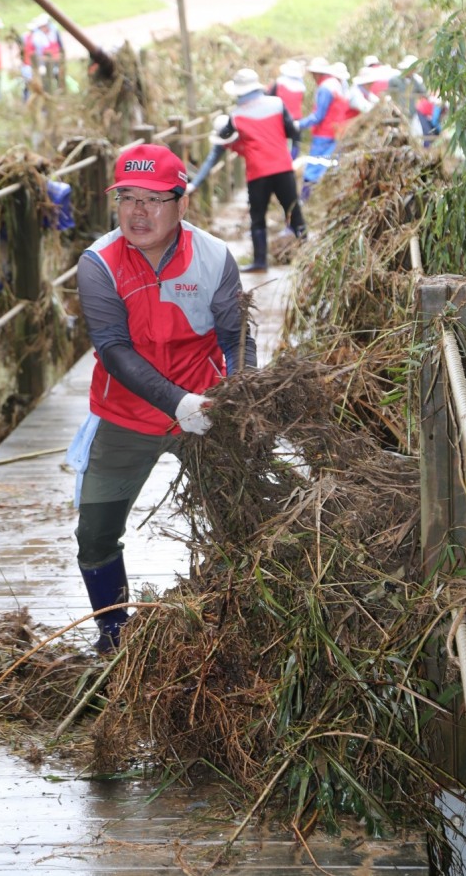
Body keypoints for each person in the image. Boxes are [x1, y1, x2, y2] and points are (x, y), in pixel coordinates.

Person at [67, 143, 257, 653]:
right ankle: (114, 639)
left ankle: (239, 627)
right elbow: (111, 348)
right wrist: (176, 403)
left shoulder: (214, 256)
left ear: (182, 202)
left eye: (153, 199)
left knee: (245, 519)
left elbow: (236, 338)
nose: (138, 212)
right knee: (95, 535)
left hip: (208, 409)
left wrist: (243, 399)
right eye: (127, 197)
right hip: (126, 413)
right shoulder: (98, 264)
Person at [187, 67, 306, 273]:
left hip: (258, 173)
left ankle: (260, 262)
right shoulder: (277, 104)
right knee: (293, 210)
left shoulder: (236, 116)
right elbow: (292, 130)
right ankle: (307, 253)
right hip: (282, 167)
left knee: (258, 218)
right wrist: (293, 147)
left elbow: (216, 151)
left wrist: (194, 184)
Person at [296, 56, 348, 201]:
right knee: (329, 165)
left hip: (324, 134)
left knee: (313, 168)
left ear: (317, 73)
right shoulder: (336, 84)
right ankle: (324, 200)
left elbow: (318, 116)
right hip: (336, 133)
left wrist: (298, 124)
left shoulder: (325, 88)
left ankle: (304, 200)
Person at [267, 58, 305, 158]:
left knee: (278, 144)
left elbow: (269, 97)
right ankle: (291, 162)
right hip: (296, 120)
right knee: (295, 143)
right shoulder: (301, 86)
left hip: (280, 120)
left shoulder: (279, 83)